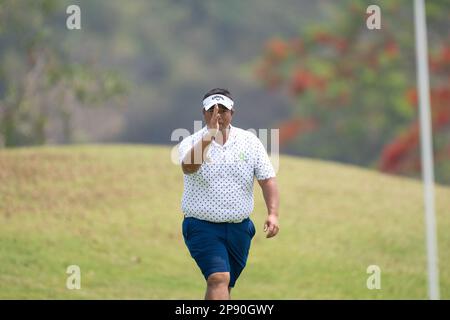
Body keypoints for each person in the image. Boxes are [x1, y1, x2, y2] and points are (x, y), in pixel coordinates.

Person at [178, 88, 280, 300]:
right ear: (204, 114)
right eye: (212, 111)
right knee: (218, 278)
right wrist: (209, 136)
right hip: (201, 226)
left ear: (232, 113)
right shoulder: (191, 142)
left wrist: (273, 213)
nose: (218, 116)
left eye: (223, 110)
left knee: (225, 285)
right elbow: (188, 167)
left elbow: (267, 179)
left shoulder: (250, 142)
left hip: (239, 229)